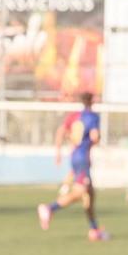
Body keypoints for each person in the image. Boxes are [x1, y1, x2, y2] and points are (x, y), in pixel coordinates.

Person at [37, 92, 110, 241]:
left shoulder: (73, 116)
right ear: (92, 101)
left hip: (74, 156)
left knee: (90, 194)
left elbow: (61, 132)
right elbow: (95, 137)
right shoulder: (93, 117)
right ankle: (49, 208)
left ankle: (94, 229)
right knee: (80, 192)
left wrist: (57, 152)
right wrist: (96, 141)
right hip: (83, 157)